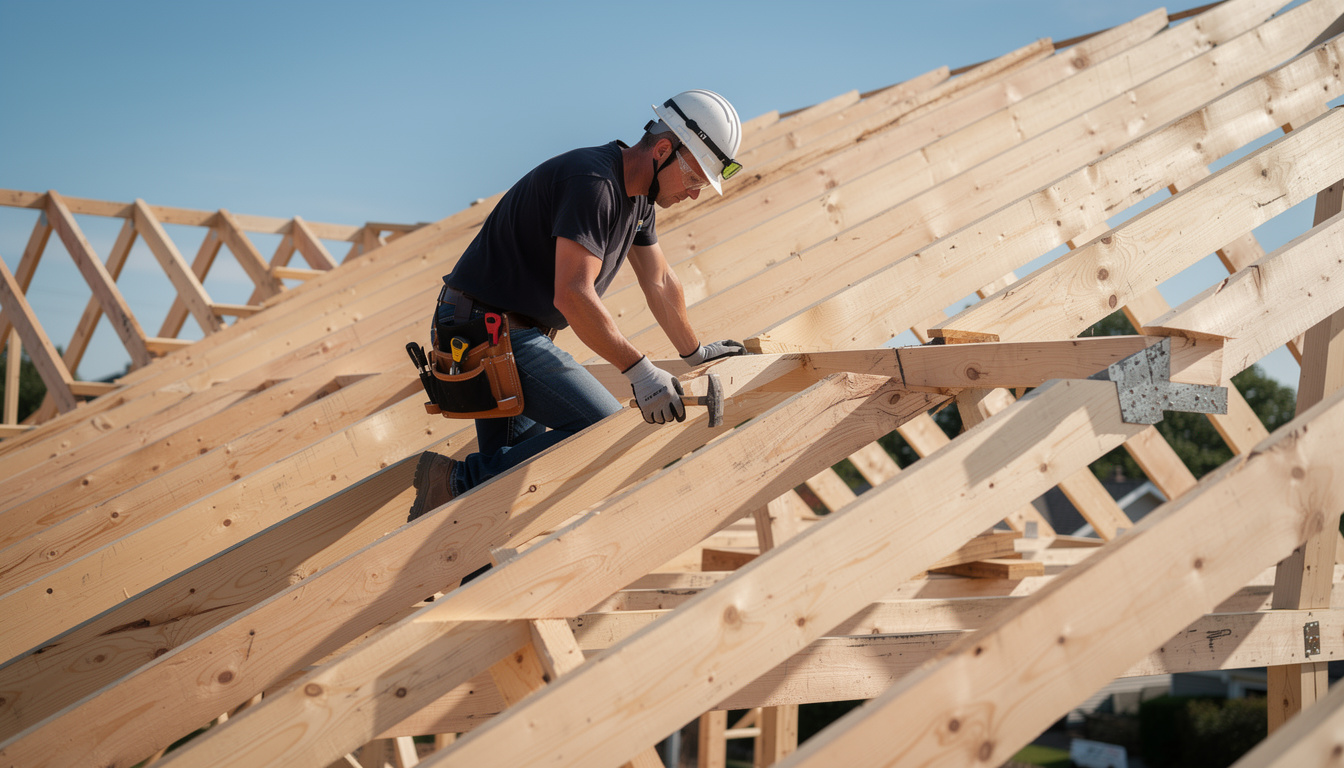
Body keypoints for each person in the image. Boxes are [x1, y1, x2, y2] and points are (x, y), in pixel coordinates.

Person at [409, 89, 749, 522]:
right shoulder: (593, 183)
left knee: (502, 499)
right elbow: (572, 294)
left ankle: (466, 552)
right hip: (487, 328)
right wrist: (640, 373)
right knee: (604, 429)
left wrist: (694, 352)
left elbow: (660, 280)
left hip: (503, 329)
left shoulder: (639, 198)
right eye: (696, 179)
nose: (695, 194)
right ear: (663, 150)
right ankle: (453, 482)